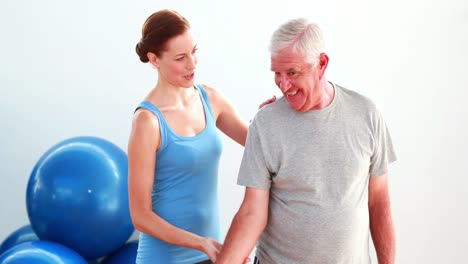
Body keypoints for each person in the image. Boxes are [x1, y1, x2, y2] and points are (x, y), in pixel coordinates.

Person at [216, 18, 397, 264]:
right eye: (277, 73)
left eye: (292, 72)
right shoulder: (265, 124)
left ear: (321, 64)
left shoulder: (366, 114)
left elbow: (378, 202)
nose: (283, 84)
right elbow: (251, 213)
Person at [127, 9, 274, 264]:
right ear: (154, 59)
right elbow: (140, 216)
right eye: (181, 57)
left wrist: (267, 119)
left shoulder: (210, 98)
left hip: (212, 252)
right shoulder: (147, 122)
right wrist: (200, 242)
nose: (192, 64)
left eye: (194, 51)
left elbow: (256, 142)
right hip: (165, 258)